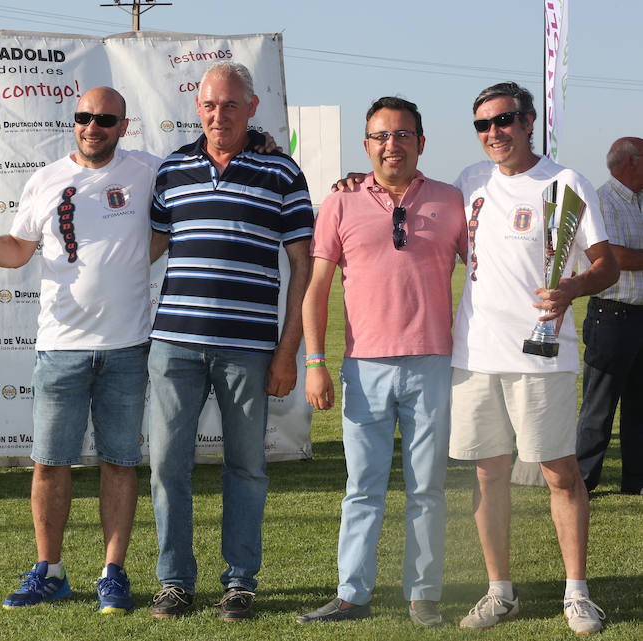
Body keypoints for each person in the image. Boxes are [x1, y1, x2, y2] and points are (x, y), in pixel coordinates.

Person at [0, 86, 159, 614]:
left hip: (127, 347)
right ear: (75, 122)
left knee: (119, 462)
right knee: (49, 464)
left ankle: (113, 572)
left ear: (123, 126)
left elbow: (207, 166)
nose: (93, 127)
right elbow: (18, 251)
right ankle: (50, 571)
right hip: (59, 349)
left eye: (105, 119)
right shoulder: (45, 179)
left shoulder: (148, 170)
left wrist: (261, 140)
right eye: (85, 117)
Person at [448, 82, 618, 634]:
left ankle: (577, 593)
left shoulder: (566, 182)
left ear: (528, 122)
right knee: (487, 473)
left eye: (503, 121)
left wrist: (570, 289)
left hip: (542, 355)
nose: (493, 133)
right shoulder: (470, 181)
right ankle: (501, 592)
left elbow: (607, 266)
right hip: (475, 355)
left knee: (560, 473)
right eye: (482, 125)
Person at [146, 61, 314, 621]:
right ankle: (174, 581)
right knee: (168, 465)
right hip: (174, 345)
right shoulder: (171, 170)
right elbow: (143, 250)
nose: (219, 115)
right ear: (198, 109)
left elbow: (303, 268)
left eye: (231, 105)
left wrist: (288, 349)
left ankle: (239, 582)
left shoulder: (283, 173)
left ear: (252, 107)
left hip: (248, 347)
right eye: (210, 105)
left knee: (246, 467)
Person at [296, 97, 467, 628]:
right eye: (380, 136)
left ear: (421, 141)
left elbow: (487, 267)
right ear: (367, 145)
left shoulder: (451, 200)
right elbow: (316, 287)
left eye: (402, 134)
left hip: (433, 364)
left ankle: (423, 593)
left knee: (428, 489)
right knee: (362, 488)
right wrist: (315, 362)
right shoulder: (340, 203)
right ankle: (352, 593)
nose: (391, 144)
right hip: (364, 367)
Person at [575, 137, 643, 494]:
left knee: (639, 407)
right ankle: (583, 483)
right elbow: (614, 257)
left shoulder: (640, 201)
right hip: (612, 317)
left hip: (638, 317)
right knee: (599, 406)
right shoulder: (601, 200)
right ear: (631, 162)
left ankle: (635, 481)